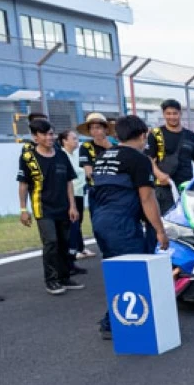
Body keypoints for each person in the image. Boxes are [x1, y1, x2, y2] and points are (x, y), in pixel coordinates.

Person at [90, 115, 169, 338]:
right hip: (121, 223)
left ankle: (113, 320)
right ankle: (116, 323)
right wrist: (160, 231)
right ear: (143, 135)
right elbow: (147, 198)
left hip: (100, 221)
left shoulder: (104, 156)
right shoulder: (138, 159)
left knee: (119, 272)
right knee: (133, 271)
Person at [17, 118, 81, 295]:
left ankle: (64, 276)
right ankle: (51, 280)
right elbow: (23, 185)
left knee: (64, 242)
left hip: (63, 207)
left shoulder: (61, 155)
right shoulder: (28, 158)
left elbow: (69, 182)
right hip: (42, 208)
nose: (49, 137)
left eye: (51, 133)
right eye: (45, 134)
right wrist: (23, 209)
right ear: (35, 137)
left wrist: (72, 206)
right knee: (51, 242)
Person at [147, 99, 194, 216]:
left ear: (180, 114)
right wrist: (160, 175)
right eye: (168, 114)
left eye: (175, 113)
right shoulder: (156, 134)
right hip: (164, 187)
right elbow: (149, 159)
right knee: (167, 220)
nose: (172, 117)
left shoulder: (190, 135)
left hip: (186, 186)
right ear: (163, 114)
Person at [77, 112, 115, 259]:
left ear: (105, 129)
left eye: (99, 127)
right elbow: (88, 171)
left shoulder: (115, 145)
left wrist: (110, 148)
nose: (96, 131)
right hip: (97, 190)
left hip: (115, 191)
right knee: (98, 225)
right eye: (92, 128)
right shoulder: (86, 147)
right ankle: (106, 252)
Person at [58, 129, 88, 273]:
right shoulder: (61, 155)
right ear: (65, 141)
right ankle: (67, 262)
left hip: (80, 193)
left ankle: (72, 260)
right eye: (74, 138)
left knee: (76, 228)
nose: (77, 141)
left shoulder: (78, 154)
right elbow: (73, 173)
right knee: (71, 228)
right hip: (69, 196)